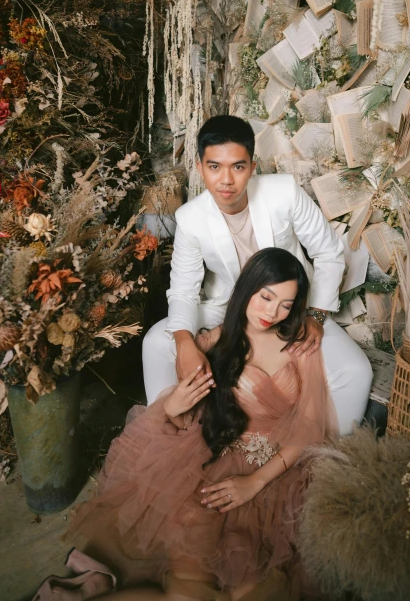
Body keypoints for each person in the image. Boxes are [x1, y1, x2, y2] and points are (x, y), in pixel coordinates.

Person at [64, 248, 337, 600]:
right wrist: (174, 404)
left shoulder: (301, 345)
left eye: (286, 304)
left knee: (257, 586)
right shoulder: (218, 341)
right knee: (186, 589)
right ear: (247, 289)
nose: (273, 312)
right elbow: (186, 413)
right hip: (212, 462)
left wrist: (254, 482)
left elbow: (310, 428)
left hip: (277, 475)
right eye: (266, 297)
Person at [143, 115, 372, 435]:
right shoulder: (190, 218)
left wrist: (316, 316)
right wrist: (184, 342)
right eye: (214, 167)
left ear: (252, 167)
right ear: (200, 168)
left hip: (287, 304)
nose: (226, 180)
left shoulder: (285, 193)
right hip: (229, 302)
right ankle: (168, 432)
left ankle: (327, 460)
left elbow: (329, 253)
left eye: (237, 166)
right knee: (157, 342)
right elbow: (183, 289)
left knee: (355, 370)